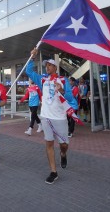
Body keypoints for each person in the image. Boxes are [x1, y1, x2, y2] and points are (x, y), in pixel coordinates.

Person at [26, 48, 78, 184]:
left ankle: (63, 154)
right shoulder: (42, 80)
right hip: (46, 117)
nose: (47, 67)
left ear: (55, 67)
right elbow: (29, 72)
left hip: (60, 118)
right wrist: (32, 57)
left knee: (64, 144)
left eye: (49, 65)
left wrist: (61, 90)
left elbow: (70, 98)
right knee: (49, 143)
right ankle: (53, 172)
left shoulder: (63, 80)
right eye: (46, 65)